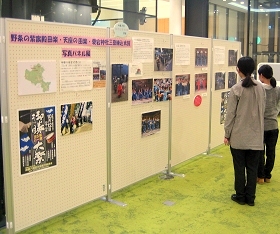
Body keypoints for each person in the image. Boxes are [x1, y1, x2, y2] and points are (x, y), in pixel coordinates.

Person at [224, 56, 266, 206]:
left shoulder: (236, 89)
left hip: (239, 137)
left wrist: (227, 134)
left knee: (239, 168)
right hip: (256, 137)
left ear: (238, 70)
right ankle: (251, 197)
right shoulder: (261, 87)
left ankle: (240, 196)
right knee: (253, 169)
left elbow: (230, 115)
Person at [257, 65, 280, 184]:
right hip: (274, 126)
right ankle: (268, 176)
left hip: (261, 126)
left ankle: (260, 176)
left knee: (260, 152)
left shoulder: (259, 89)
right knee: (271, 153)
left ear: (261, 75)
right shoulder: (277, 89)